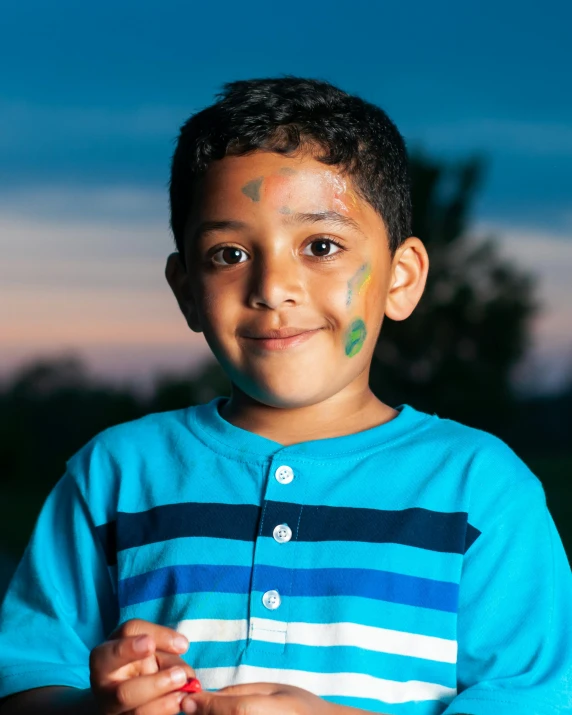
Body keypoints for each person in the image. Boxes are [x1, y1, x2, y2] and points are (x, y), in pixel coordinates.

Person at [0, 77, 570, 715]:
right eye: (230, 253)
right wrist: (94, 708)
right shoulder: (114, 475)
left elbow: (534, 701)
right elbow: (24, 681)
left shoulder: (482, 490)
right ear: (186, 288)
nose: (273, 287)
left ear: (401, 279)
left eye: (321, 247)